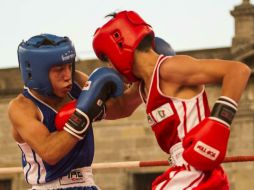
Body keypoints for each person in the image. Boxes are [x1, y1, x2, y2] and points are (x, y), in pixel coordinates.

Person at [92, 11, 251, 189]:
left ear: (119, 46)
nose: (110, 67)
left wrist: (219, 122)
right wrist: (82, 95)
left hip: (197, 170)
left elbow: (238, 70)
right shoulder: (144, 85)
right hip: (182, 170)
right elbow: (120, 107)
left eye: (108, 60)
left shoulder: (169, 68)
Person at [8, 33, 142, 190]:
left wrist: (144, 79)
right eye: (59, 69)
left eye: (69, 66)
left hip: (86, 184)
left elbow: (121, 108)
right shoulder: (22, 107)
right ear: (37, 73)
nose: (67, 76)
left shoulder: (77, 83)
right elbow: (50, 152)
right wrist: (83, 113)